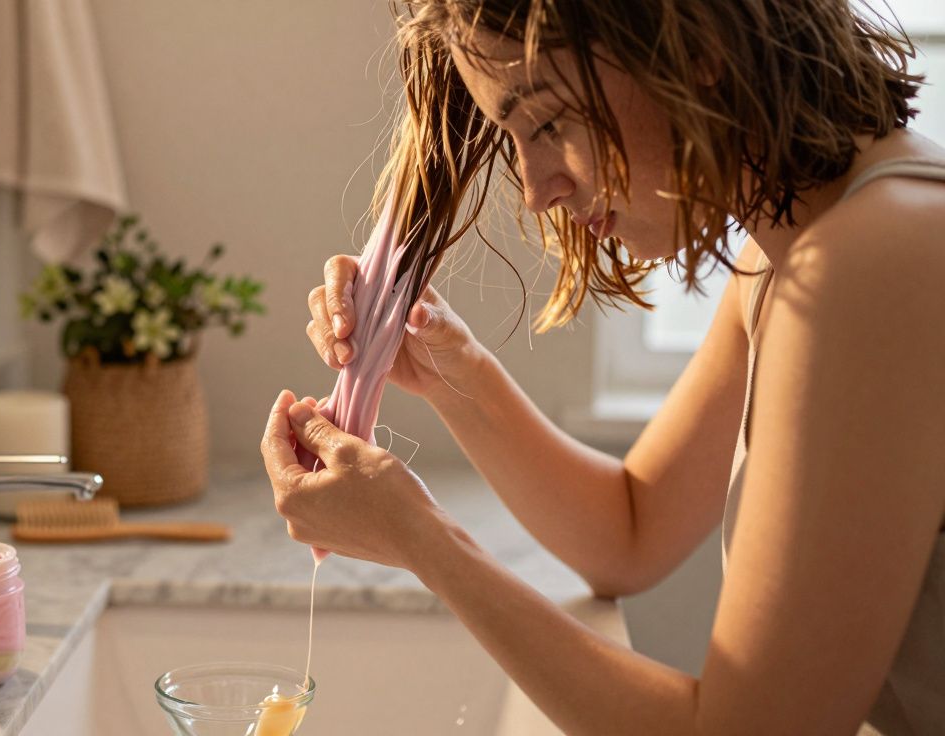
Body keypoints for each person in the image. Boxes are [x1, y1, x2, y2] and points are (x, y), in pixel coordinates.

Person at [258, 1, 945, 733]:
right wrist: (451, 366)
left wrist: (423, 541)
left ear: (697, 44)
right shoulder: (793, 255)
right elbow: (630, 533)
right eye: (511, 138)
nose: (534, 188)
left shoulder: (877, 260)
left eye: (549, 122)